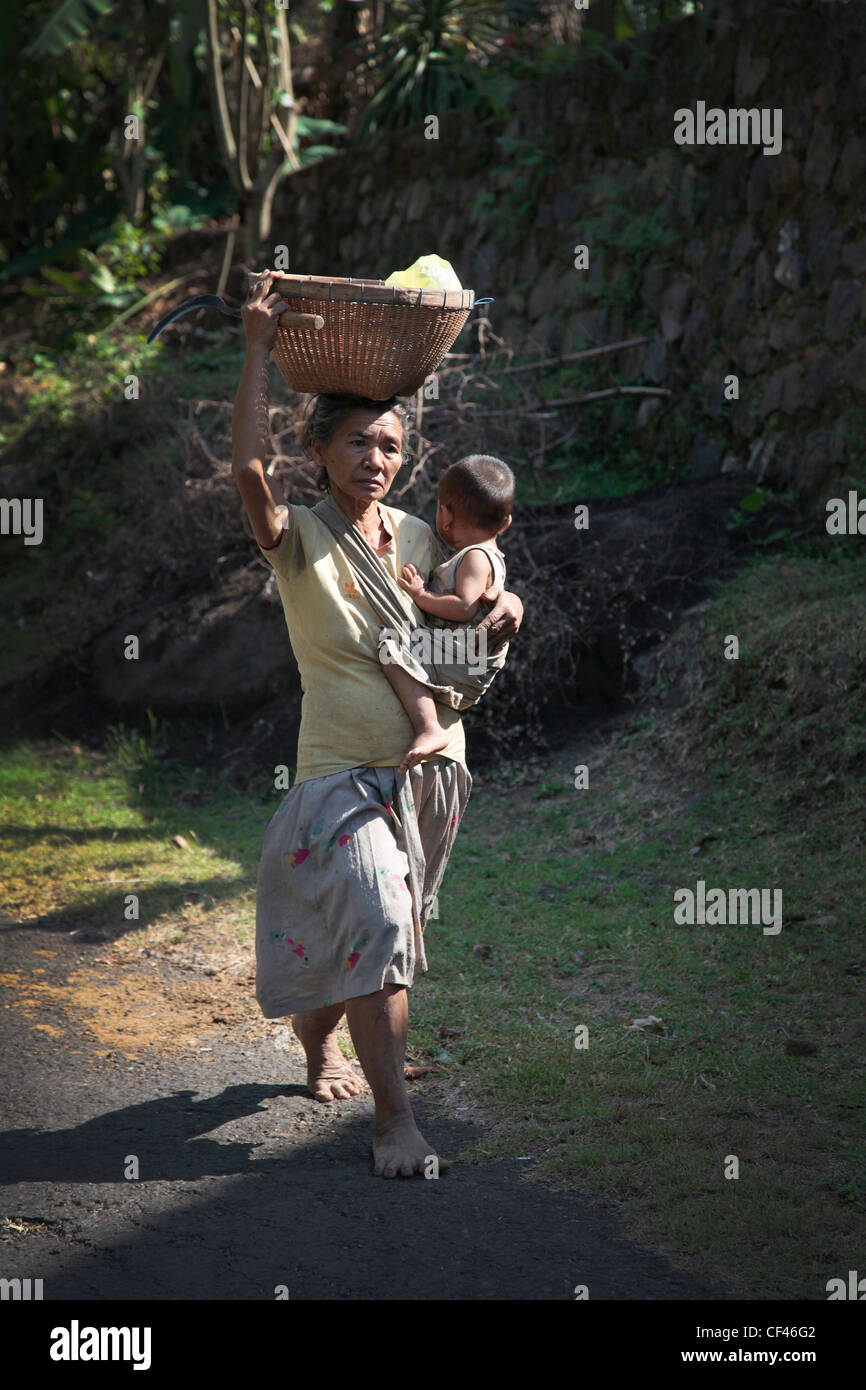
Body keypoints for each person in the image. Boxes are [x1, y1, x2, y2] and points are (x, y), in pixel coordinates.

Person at [231, 272, 524, 1177]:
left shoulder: (423, 533)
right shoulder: (302, 538)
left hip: (427, 775)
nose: (376, 458)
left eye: (391, 445)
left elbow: (477, 584)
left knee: (359, 934)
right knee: (379, 918)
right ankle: (397, 1121)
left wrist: (509, 600)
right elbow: (248, 470)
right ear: (320, 450)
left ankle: (320, 1043)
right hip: (337, 771)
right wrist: (253, 350)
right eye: (357, 441)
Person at [379, 454, 515, 773]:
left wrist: (421, 595)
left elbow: (464, 606)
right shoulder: (489, 556)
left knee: (389, 649)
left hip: (461, 659)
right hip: (465, 660)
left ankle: (429, 727)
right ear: (506, 523)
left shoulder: (476, 558)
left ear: (446, 515)